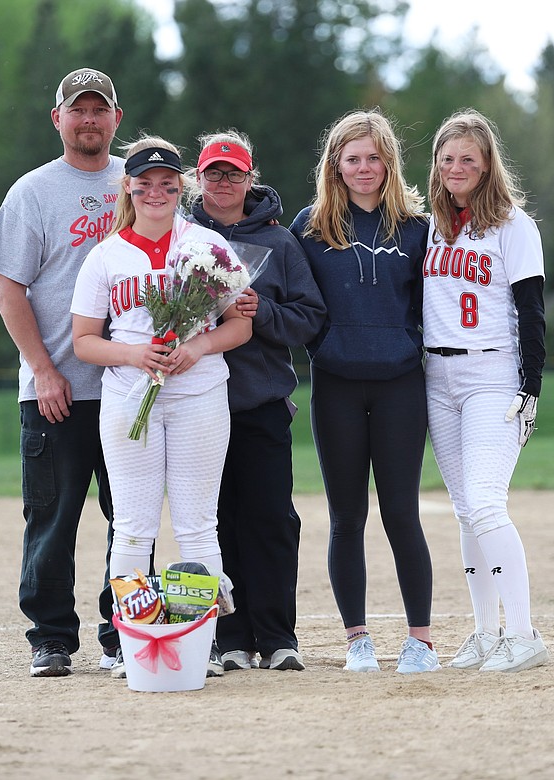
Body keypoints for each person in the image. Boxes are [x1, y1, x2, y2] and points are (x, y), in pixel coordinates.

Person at [71, 136, 253, 678]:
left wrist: (196, 346)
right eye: (144, 183)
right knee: (132, 527)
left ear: (182, 188)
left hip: (198, 396)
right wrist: (135, 353)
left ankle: (202, 646)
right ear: (128, 187)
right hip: (130, 396)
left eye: (167, 185)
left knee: (198, 526)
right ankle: (134, 647)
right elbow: (83, 340)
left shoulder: (207, 246)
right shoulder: (105, 255)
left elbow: (239, 324)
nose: (156, 192)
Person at [0, 67, 132, 678]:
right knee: (53, 516)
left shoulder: (140, 182)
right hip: (57, 390)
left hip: (130, 387)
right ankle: (50, 638)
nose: (89, 119)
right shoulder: (33, 192)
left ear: (116, 118)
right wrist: (42, 369)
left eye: (100, 109)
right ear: (58, 119)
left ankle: (123, 629)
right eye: (79, 110)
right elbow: (8, 290)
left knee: (132, 517)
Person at [288, 109, 439, 674]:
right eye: (352, 158)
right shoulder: (311, 225)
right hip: (337, 386)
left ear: (389, 162)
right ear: (336, 165)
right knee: (346, 516)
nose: (364, 168)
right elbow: (297, 301)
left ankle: (420, 642)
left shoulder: (417, 226)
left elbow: (435, 304)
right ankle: (358, 640)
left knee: (402, 513)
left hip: (401, 383)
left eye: (374, 157)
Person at [189, 130, 326, 672]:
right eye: (213, 173)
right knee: (214, 521)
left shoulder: (279, 244)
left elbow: (310, 319)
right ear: (197, 179)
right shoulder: (180, 236)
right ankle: (229, 639)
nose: (223, 182)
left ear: (251, 178)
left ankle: (277, 637)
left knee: (270, 519)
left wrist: (259, 311)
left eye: (234, 173)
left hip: (260, 404)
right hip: (197, 402)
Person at [422, 109, 549, 672]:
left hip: (492, 375)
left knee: (486, 503)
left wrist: (531, 388)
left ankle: (523, 636)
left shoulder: (514, 225)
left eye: (468, 158)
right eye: (448, 158)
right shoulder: (431, 224)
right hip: (437, 375)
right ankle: (484, 632)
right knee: (465, 512)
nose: (457, 167)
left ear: (488, 163)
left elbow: (533, 313)